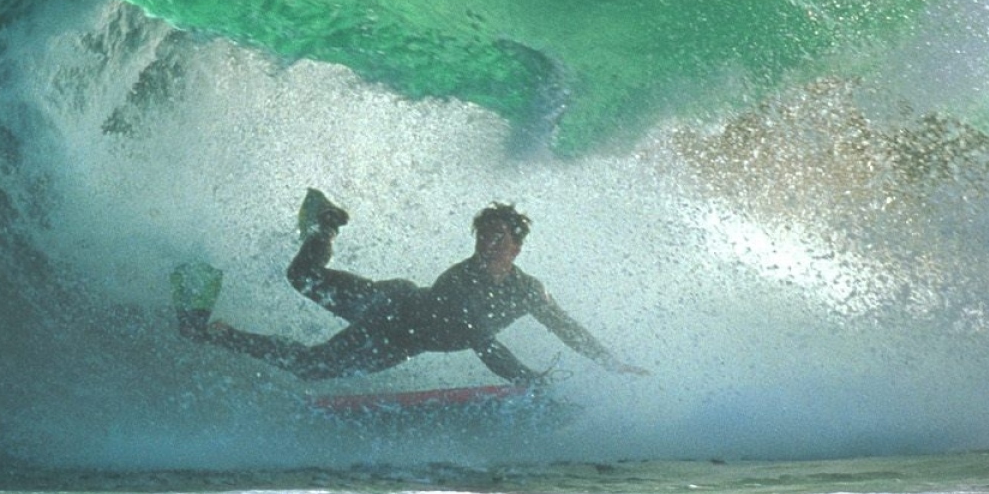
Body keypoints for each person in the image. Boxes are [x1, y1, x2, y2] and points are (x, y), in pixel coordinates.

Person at [177, 189, 647, 385]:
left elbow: (565, 328)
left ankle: (213, 326)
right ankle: (322, 229)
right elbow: (483, 341)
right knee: (304, 300)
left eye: (496, 239)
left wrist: (613, 364)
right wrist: (527, 381)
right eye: (481, 236)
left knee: (310, 362)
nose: (485, 244)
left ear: (516, 248)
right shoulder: (461, 280)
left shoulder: (528, 290)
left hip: (397, 327)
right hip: (386, 315)